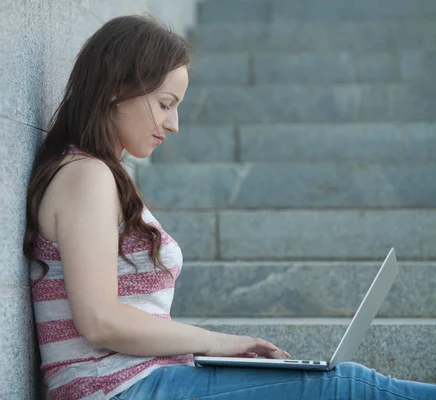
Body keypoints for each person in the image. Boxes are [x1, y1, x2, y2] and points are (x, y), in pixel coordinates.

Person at [23, 14, 436, 400]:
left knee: (342, 381)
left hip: (142, 380)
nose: (174, 123)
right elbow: (99, 320)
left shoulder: (99, 174)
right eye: (166, 103)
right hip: (115, 388)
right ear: (117, 88)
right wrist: (219, 341)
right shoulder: (86, 176)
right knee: (348, 385)